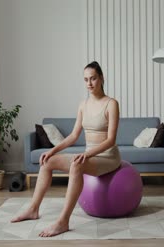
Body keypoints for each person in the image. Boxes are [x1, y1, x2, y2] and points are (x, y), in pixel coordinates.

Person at [10, 61, 121, 237]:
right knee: (47, 162)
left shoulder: (111, 104)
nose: (89, 83)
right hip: (89, 156)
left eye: (93, 78)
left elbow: (111, 140)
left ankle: (63, 221)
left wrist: (87, 154)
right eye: (85, 80)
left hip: (107, 157)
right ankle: (33, 209)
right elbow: (73, 135)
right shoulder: (83, 105)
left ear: (101, 78)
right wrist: (52, 151)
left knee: (77, 165)